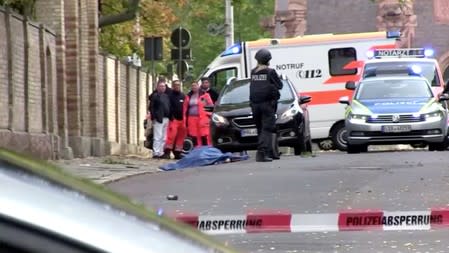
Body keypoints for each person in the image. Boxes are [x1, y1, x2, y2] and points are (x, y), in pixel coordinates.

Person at [249, 48, 283, 162]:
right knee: (267, 129)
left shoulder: (253, 72)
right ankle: (262, 153)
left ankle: (268, 152)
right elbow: (280, 85)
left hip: (255, 105)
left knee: (260, 129)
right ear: (268, 60)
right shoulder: (270, 72)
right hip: (267, 105)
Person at [184, 81, 214, 147]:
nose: (194, 87)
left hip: (202, 119)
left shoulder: (205, 95)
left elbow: (211, 106)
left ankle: (206, 150)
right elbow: (185, 109)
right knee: (194, 135)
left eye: (195, 85)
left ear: (198, 86)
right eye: (192, 86)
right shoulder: (188, 96)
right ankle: (197, 150)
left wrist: (207, 115)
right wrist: (185, 119)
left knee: (204, 135)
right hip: (191, 119)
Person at [163, 80, 186, 159]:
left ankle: (177, 153)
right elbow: (168, 107)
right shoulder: (170, 96)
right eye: (175, 85)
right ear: (173, 86)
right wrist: (171, 116)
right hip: (173, 119)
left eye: (178, 85)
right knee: (171, 136)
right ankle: (167, 152)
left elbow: (185, 107)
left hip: (182, 120)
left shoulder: (183, 96)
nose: (177, 86)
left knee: (181, 137)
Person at [149, 80, 171, 159]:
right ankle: (156, 152)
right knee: (157, 136)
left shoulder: (166, 96)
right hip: (158, 118)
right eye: (161, 86)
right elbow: (151, 107)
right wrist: (154, 117)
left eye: (164, 86)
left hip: (166, 118)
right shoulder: (155, 96)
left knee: (164, 137)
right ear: (157, 87)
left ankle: (161, 152)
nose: (162, 88)